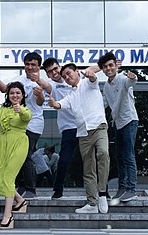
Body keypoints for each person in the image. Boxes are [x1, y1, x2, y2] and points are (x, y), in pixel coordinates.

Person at [48, 63, 109, 214]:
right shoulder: (70, 95)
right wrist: (53, 103)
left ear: (77, 72)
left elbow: (94, 78)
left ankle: (102, 193)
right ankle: (92, 204)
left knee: (103, 153)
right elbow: (59, 105)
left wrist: (92, 74)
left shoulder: (88, 83)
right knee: (88, 168)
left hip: (99, 127)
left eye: (69, 73)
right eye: (65, 77)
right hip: (82, 133)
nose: (67, 78)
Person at [38, 58, 100, 199]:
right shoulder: (53, 86)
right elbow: (45, 85)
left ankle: (102, 190)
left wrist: (109, 65)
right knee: (64, 159)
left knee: (93, 159)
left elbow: (92, 71)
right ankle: (58, 189)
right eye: (50, 71)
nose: (54, 73)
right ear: (47, 74)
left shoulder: (77, 80)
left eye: (55, 69)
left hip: (86, 125)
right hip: (69, 128)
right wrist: (36, 78)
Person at [0, 52, 45, 199]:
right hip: (16, 125)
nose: (30, 67)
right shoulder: (19, 80)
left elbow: (40, 102)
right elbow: (4, 90)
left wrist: (40, 92)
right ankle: (20, 185)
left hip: (33, 125)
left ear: (39, 66)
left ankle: (31, 189)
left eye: (33, 65)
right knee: (14, 156)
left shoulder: (41, 82)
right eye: (27, 64)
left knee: (25, 156)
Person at [0, 81, 32, 230]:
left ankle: (8, 217)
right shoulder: (3, 108)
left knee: (8, 178)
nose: (14, 95)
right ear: (8, 95)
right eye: (11, 93)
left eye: (17, 93)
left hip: (18, 144)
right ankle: (20, 201)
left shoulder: (24, 109)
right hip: (2, 144)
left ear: (22, 95)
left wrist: (20, 111)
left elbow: (27, 117)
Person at [98, 52, 139, 202]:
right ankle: (122, 188)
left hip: (129, 121)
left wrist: (133, 77)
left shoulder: (122, 79)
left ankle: (131, 189)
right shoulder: (107, 87)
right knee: (120, 157)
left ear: (116, 65)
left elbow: (131, 82)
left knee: (128, 155)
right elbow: (103, 104)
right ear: (102, 69)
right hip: (118, 124)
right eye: (105, 67)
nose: (108, 68)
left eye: (111, 65)